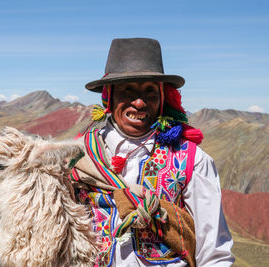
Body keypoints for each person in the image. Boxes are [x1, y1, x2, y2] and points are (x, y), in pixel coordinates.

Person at [70, 38, 235, 266]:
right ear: (109, 97)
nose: (139, 102)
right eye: (127, 90)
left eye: (150, 91)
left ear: (162, 97)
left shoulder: (191, 160)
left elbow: (214, 253)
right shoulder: (79, 157)